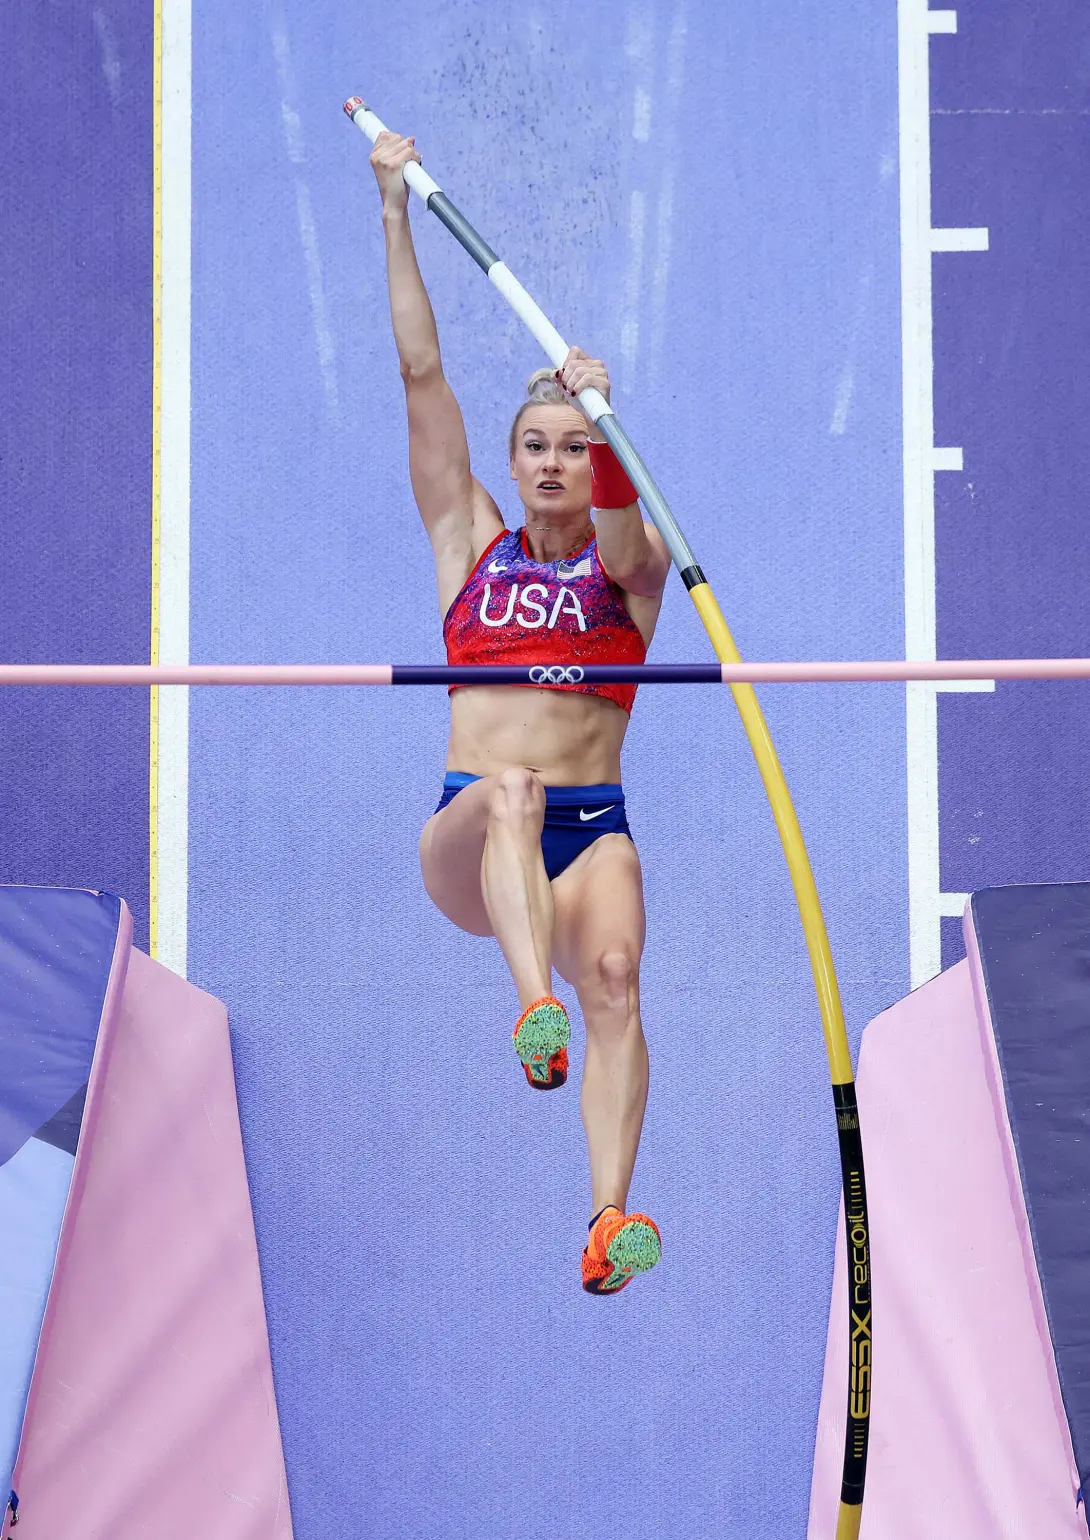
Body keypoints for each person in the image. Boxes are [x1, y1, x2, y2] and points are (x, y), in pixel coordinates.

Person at [371, 128, 670, 1295]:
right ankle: (531, 1012)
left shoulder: (629, 577)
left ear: (598, 466)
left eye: (574, 451)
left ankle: (606, 1218)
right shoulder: (471, 547)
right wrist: (394, 209)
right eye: (535, 447)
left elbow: (626, 536)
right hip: (473, 834)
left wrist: (610, 426)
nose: (551, 463)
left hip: (588, 832)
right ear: (512, 461)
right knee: (511, 789)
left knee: (619, 975)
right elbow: (421, 377)